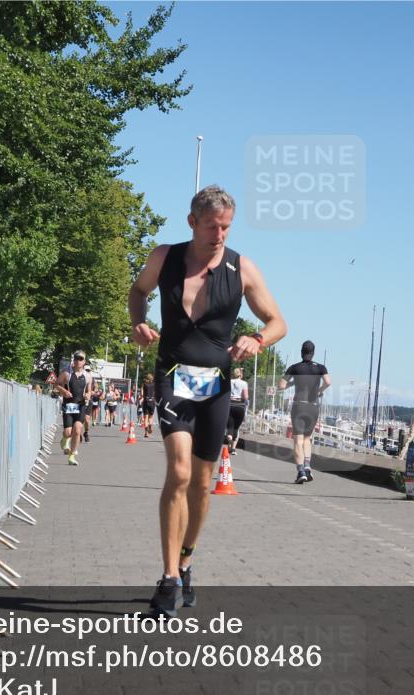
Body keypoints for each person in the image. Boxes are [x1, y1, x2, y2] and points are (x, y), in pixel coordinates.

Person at [128, 185, 286, 617]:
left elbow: (277, 322)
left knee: (202, 483)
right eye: (213, 226)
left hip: (215, 384)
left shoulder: (242, 268)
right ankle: (168, 579)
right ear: (192, 222)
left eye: (227, 227)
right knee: (177, 472)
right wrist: (139, 323)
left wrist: (256, 338)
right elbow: (137, 292)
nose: (220, 234)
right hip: (173, 374)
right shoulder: (165, 258)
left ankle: (187, 557)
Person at [279, 340, 330, 484]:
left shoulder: (294, 368)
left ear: (302, 352)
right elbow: (328, 382)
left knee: (298, 440)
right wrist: (319, 391)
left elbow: (281, 386)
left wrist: (292, 383)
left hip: (299, 406)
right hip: (313, 406)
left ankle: (300, 470)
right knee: (307, 439)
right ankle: (307, 466)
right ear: (313, 353)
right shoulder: (320, 368)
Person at [55, 351, 92, 465]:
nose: (78, 360)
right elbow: (56, 384)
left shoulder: (87, 376)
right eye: (76, 358)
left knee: (77, 430)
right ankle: (64, 439)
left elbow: (89, 391)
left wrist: (87, 395)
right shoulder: (66, 373)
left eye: (81, 359)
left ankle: (72, 455)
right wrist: (64, 391)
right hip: (69, 405)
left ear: (84, 362)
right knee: (68, 432)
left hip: (81, 406)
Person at [226, 367, 249, 454]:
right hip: (240, 406)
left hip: (230, 404)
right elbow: (246, 397)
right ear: (240, 374)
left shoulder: (230, 382)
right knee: (236, 427)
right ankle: (233, 447)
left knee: (230, 426)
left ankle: (229, 439)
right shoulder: (244, 383)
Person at [140, 373, 156, 437]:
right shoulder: (154, 384)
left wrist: (143, 396)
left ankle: (146, 433)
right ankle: (150, 426)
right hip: (152, 401)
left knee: (146, 417)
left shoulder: (144, 384)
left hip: (146, 401)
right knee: (151, 417)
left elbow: (141, 394)